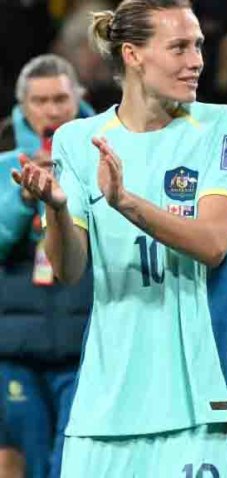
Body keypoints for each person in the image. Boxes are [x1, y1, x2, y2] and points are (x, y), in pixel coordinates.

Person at [12, 1, 227, 476]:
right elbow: (68, 269)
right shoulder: (77, 139)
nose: (197, 60)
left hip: (194, 402)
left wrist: (127, 203)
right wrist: (58, 210)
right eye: (180, 47)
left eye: (198, 46)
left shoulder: (222, 125)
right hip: (103, 406)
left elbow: (213, 243)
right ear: (133, 55)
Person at [0, 54, 94, 478]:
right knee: (30, 466)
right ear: (22, 107)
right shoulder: (3, 167)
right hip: (15, 350)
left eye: (60, 98)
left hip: (86, 345)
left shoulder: (103, 156)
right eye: (40, 101)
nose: (52, 110)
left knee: (72, 466)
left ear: (79, 98)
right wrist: (21, 204)